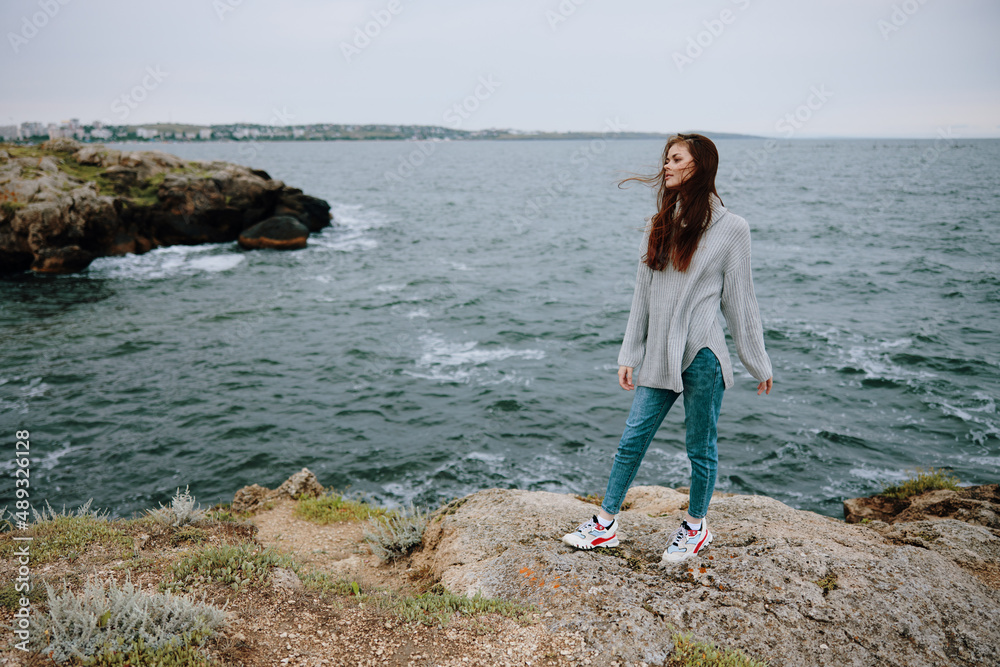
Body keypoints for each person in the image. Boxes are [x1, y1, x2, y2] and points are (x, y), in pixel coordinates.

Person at [562, 133, 773, 562]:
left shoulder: (733, 228)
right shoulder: (658, 223)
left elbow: (740, 301)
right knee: (632, 439)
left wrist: (758, 361)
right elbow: (642, 295)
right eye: (666, 159)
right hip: (659, 354)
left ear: (699, 166)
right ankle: (605, 524)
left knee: (701, 447)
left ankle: (696, 528)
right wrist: (628, 353)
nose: (666, 166)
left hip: (702, 354)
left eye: (675, 158)